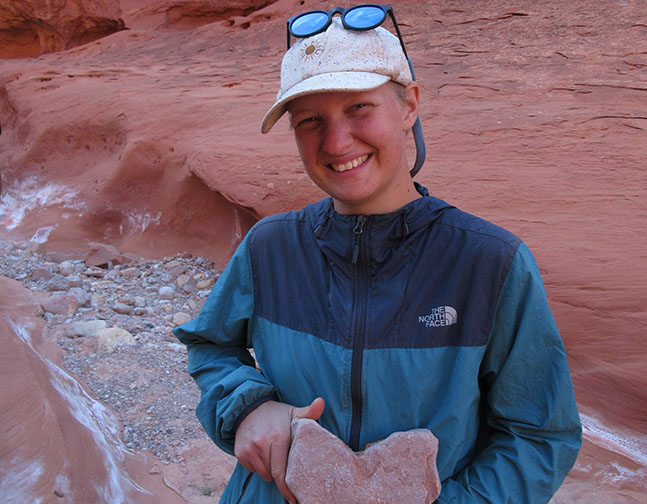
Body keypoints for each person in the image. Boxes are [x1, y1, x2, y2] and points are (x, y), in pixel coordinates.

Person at [174, 5, 582, 503]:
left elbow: (539, 436)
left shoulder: (489, 264)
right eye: (310, 121)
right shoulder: (270, 248)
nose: (336, 141)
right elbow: (211, 346)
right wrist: (246, 407)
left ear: (409, 105)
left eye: (358, 109)